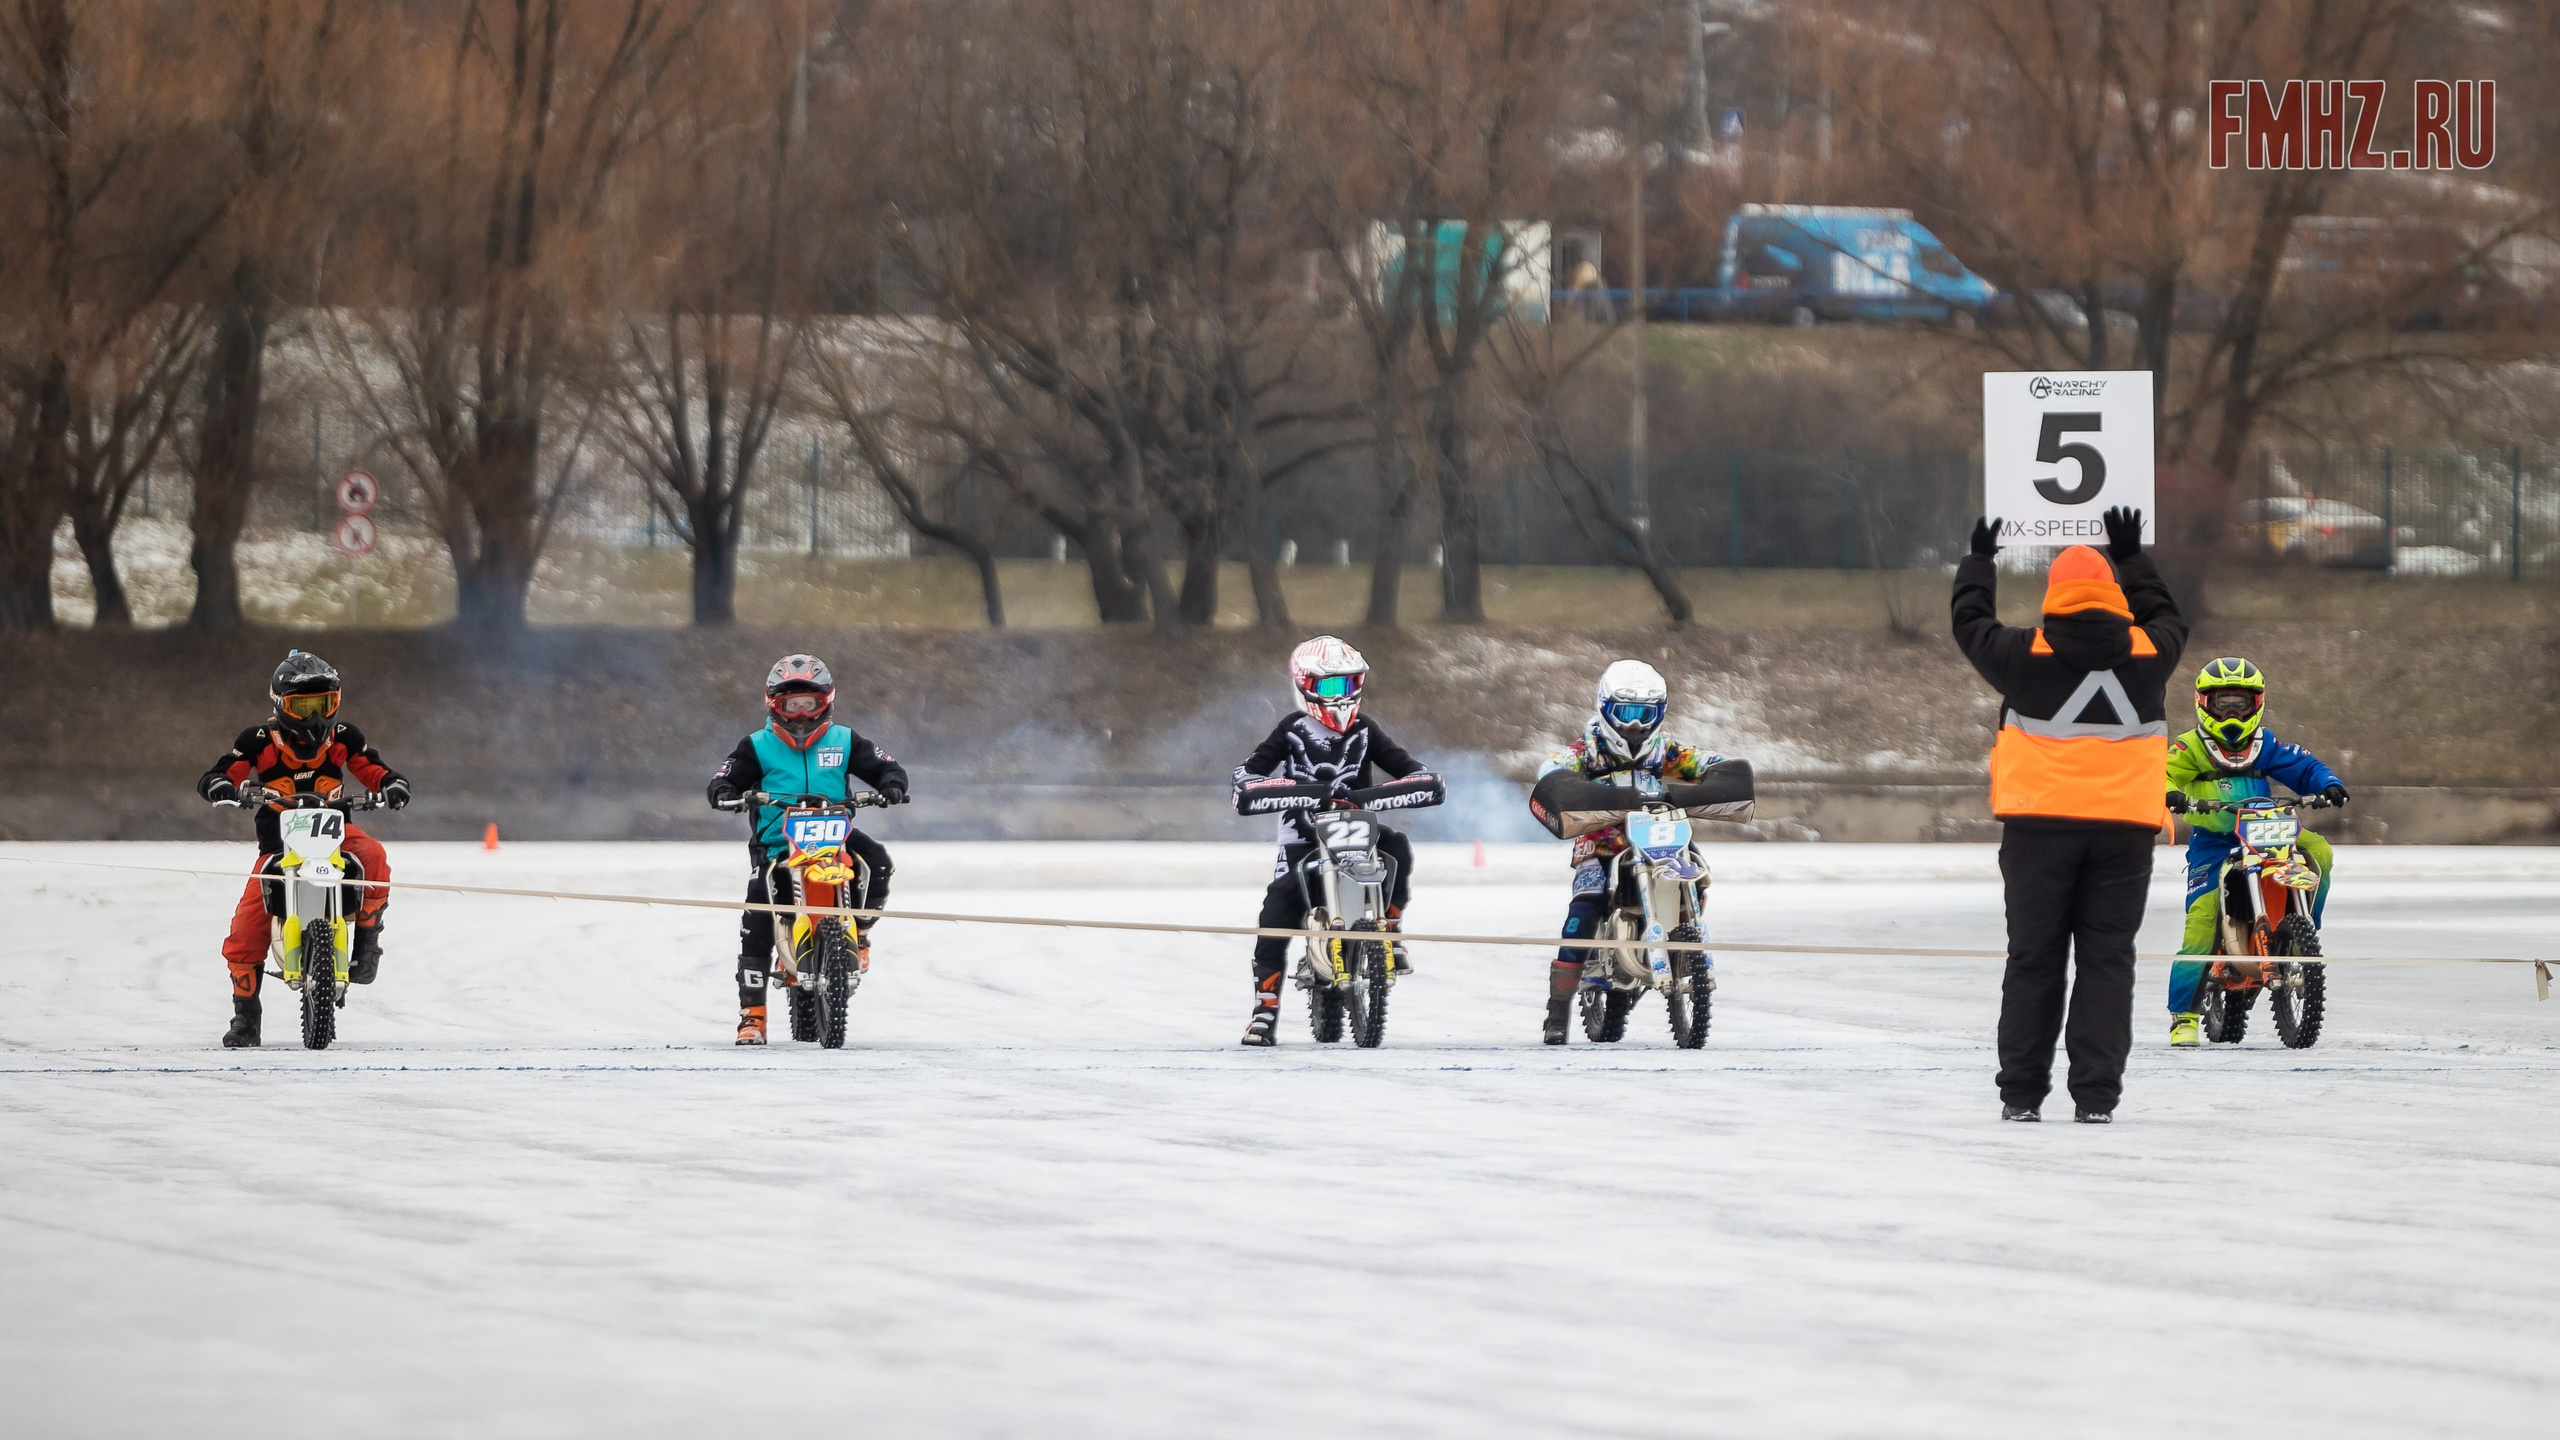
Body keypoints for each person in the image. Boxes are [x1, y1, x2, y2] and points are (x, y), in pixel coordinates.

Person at [1953, 508, 2187, 1123]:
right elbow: (2169, 616)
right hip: (2125, 835)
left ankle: (2022, 1098)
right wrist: (2133, 555)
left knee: (2034, 960)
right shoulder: (2150, 654)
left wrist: (1981, 558)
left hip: (2039, 833)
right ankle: (2096, 1100)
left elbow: (1969, 621)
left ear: (2055, 596)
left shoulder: (2022, 653)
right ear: (2113, 595)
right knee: (2108, 963)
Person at [1230, 636, 1444, 1047]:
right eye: (1331, 687)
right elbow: (1248, 775)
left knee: (1397, 848)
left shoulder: (1365, 729)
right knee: (1276, 909)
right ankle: (1264, 1009)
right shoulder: (1292, 729)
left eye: (1350, 683)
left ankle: (1391, 928)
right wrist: (1281, 788)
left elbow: (1412, 769)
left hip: (1356, 833)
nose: (1342, 696)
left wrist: (1415, 783)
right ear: (1306, 685)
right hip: (1302, 840)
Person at [197, 650, 413, 1048]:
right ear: (281, 705)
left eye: (324, 704)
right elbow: (225, 769)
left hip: (337, 831)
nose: (315, 717)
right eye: (304, 705)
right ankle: (246, 1016)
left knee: (375, 856)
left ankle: (367, 941)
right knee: (246, 928)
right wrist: (220, 785)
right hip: (279, 845)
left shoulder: (344, 737)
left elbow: (372, 767)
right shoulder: (258, 740)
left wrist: (392, 785)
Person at [708, 654, 907, 1046]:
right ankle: (753, 1017)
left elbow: (887, 766)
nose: (800, 716)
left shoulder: (845, 740)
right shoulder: (757, 745)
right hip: (778, 842)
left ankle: (861, 932)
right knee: (758, 910)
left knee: (879, 862)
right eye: (790, 706)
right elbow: (724, 776)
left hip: (836, 835)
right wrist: (725, 793)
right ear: (774, 706)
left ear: (826, 702)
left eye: (808, 705)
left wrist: (892, 785)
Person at [1533, 660, 1736, 1045]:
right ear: (1605, 708)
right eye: (1625, 713)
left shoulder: (1664, 751)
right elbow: (1552, 768)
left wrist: (1722, 774)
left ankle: (1681, 937)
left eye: (1645, 714)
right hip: (1602, 843)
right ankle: (1557, 1011)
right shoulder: (1589, 752)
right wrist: (1566, 784)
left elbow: (1707, 762)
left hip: (1661, 837)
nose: (1634, 725)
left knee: (1697, 870)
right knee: (1585, 906)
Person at [2163, 658, 2348, 1046]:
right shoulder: (2189, 747)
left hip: (2270, 830)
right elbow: (2160, 773)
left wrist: (2328, 782)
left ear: (2257, 703)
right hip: (2217, 842)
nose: (2232, 712)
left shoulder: (2266, 744)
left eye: (2241, 704)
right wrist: (2172, 796)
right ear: (2203, 702)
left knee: (2320, 853)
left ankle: (2302, 932)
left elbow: (2304, 765)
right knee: (2201, 917)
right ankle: (2184, 1015)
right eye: (2223, 702)